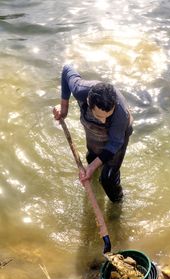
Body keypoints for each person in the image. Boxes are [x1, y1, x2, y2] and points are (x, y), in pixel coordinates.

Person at [53, 64, 133, 202]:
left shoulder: (121, 115)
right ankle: (95, 188)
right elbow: (67, 70)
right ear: (89, 103)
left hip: (119, 134)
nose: (103, 122)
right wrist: (64, 108)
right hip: (92, 130)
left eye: (108, 116)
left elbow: (114, 143)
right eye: (99, 116)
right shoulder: (80, 90)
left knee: (107, 178)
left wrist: (91, 168)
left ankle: (117, 205)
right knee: (92, 157)